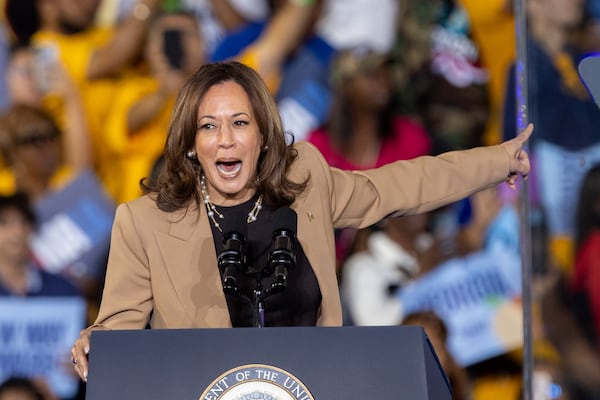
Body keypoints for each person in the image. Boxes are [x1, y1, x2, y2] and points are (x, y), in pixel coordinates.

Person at [70, 60, 532, 381]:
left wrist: (498, 161)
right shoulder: (145, 221)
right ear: (191, 143)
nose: (225, 140)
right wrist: (95, 340)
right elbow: (118, 329)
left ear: (264, 135)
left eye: (240, 123)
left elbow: (398, 185)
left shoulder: (304, 180)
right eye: (209, 126)